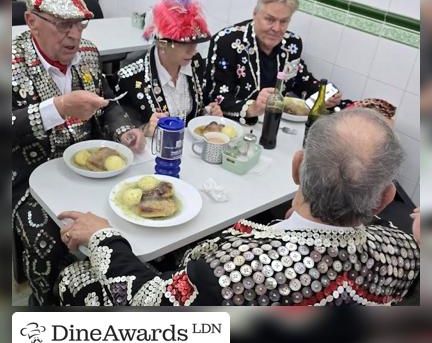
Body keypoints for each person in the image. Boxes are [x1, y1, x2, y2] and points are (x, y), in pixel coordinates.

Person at [56, 108, 419, 306]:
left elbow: (152, 303)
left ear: (296, 167)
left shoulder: (230, 272)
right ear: (386, 199)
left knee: (73, 278)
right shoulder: (406, 253)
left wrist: (105, 237)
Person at [12, 0, 145, 305]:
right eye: (62, 25)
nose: (75, 35)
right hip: (27, 175)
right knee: (50, 235)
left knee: (134, 213)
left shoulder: (87, 53)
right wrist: (56, 108)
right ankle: (46, 307)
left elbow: (109, 101)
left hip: (90, 166)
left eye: (80, 24)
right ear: (31, 22)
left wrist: (122, 130)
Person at [204, 0, 342, 125]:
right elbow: (216, 97)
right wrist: (253, 108)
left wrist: (325, 96)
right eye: (269, 19)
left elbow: (301, 80)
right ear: (255, 14)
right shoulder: (227, 42)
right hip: (232, 126)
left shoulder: (291, 44)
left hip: (275, 125)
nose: (277, 28)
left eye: (284, 21)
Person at [115, 0, 222, 137]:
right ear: (162, 43)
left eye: (195, 42)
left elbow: (196, 110)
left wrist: (208, 112)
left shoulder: (195, 63)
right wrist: (145, 130)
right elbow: (121, 132)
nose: (193, 49)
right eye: (184, 43)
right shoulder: (131, 78)